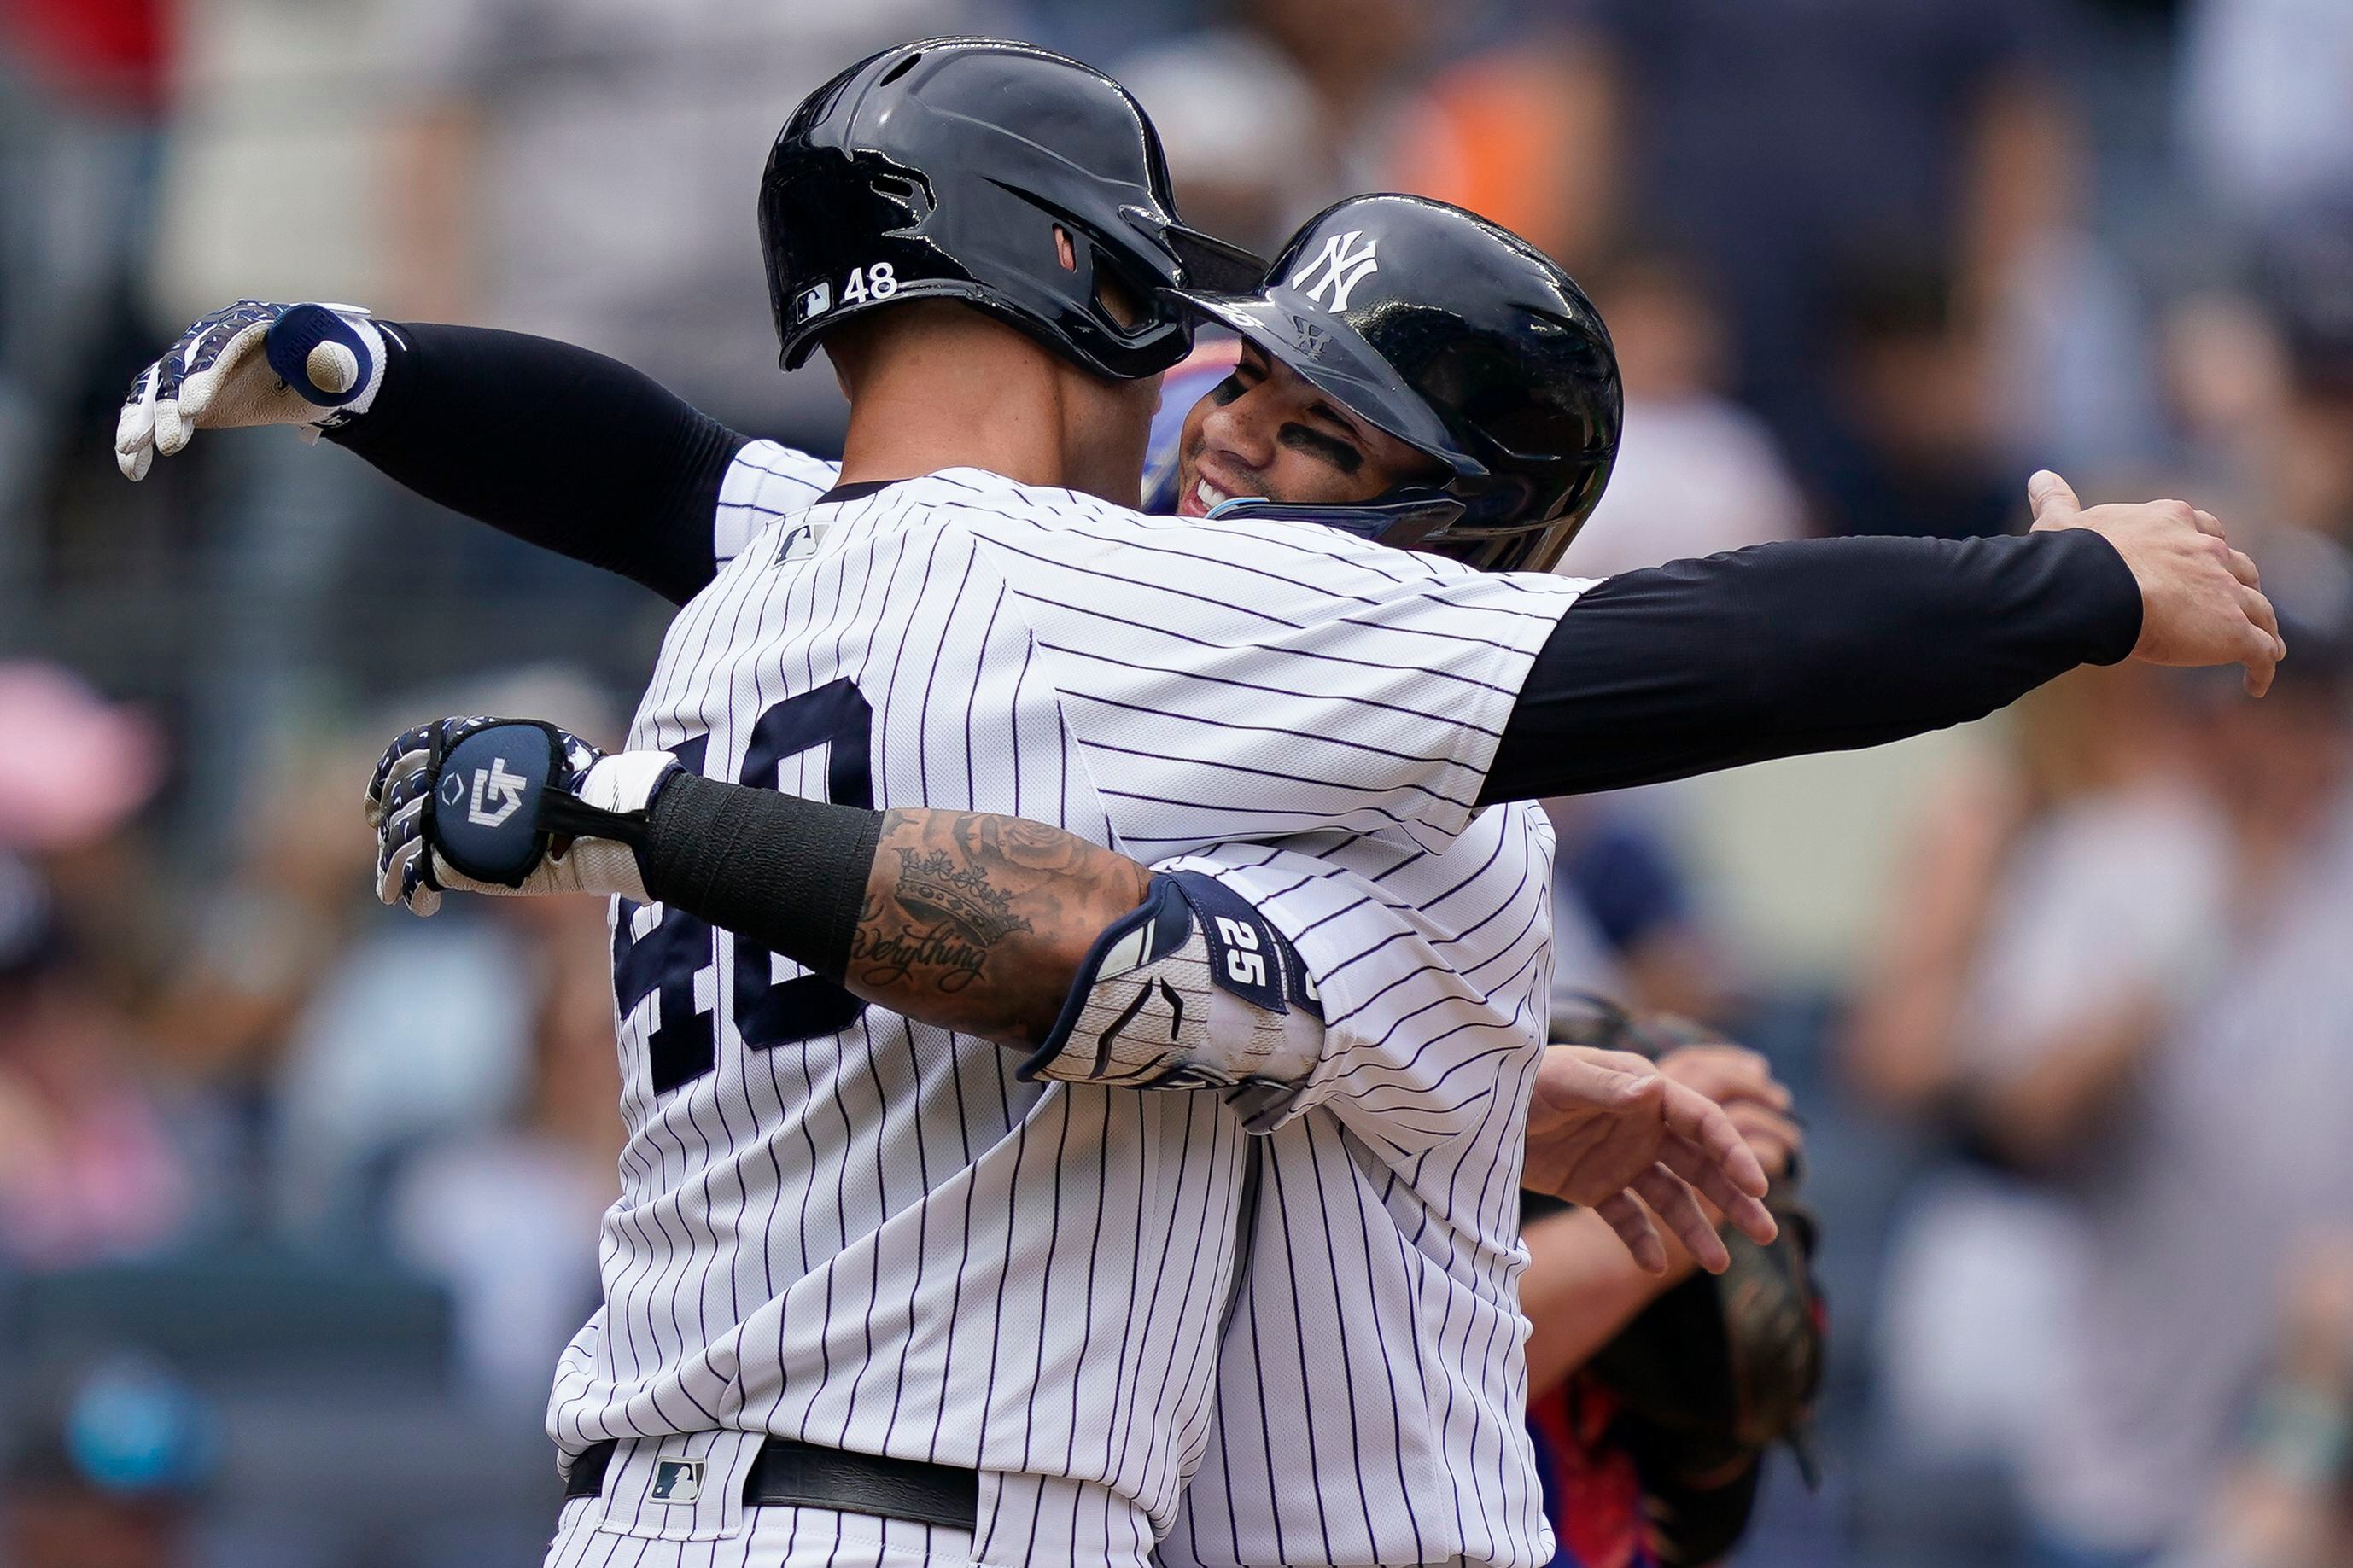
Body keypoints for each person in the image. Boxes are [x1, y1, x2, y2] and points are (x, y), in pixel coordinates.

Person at [115, 41, 2280, 1568]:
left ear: (1445, 514)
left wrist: (2072, 587)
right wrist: (366, 371)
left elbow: (1178, 935)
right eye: (1240, 371)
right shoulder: (1069, 605)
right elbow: (674, 475)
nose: (1233, 428)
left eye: (1317, 427)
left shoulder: (1335, 742)